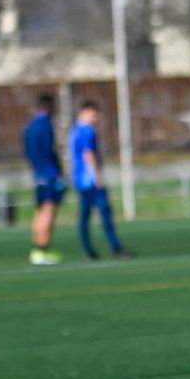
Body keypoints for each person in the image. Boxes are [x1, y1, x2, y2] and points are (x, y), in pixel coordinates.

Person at [69, 101, 131, 260]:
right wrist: (97, 177)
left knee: (84, 216)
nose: (95, 119)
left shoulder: (73, 131)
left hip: (79, 179)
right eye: (93, 115)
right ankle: (115, 247)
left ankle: (87, 249)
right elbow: (88, 154)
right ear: (84, 112)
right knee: (105, 213)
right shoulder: (87, 131)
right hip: (90, 180)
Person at [22, 92, 65, 265]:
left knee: (39, 211)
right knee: (48, 210)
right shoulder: (45, 125)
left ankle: (37, 249)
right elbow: (49, 151)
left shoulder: (30, 126)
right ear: (48, 107)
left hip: (37, 173)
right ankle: (42, 249)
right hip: (48, 174)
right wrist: (58, 173)